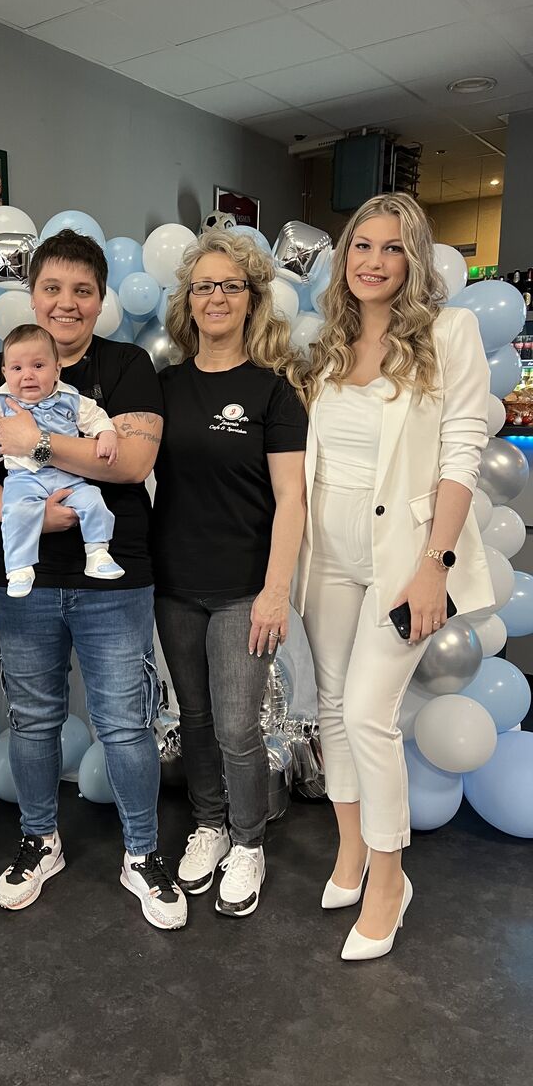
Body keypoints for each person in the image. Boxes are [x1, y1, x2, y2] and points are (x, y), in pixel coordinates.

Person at [0, 230, 187, 931]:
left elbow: (132, 462)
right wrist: (28, 515)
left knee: (125, 723)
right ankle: (40, 840)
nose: (66, 303)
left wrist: (37, 443)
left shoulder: (127, 366)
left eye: (82, 291)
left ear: (100, 299)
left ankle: (142, 853)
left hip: (115, 581)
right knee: (32, 721)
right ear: (32, 297)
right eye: (52, 289)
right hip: (25, 578)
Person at [294, 193, 493, 960]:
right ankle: (351, 846)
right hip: (327, 551)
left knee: (369, 712)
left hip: (404, 555)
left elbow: (461, 454)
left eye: (392, 248)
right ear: (344, 256)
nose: (373, 261)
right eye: (361, 245)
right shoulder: (328, 342)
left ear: (414, 259)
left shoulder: (449, 332)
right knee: (333, 707)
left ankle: (389, 879)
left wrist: (435, 565)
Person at [152, 230, 308, 917]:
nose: (216, 297)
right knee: (194, 715)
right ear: (188, 301)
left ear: (251, 300)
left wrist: (276, 591)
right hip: (174, 584)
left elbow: (292, 500)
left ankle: (248, 841)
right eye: (204, 286)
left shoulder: (274, 393)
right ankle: (209, 824)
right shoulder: (163, 388)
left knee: (239, 726)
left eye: (230, 286)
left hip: (246, 588)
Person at [0, 323, 124, 595]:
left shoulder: (70, 398)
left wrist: (106, 433)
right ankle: (19, 568)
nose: (28, 375)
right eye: (17, 368)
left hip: (69, 478)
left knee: (92, 499)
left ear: (57, 369)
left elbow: (95, 416)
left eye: (38, 366)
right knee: (15, 511)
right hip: (24, 479)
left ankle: (98, 553)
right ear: (5, 372)